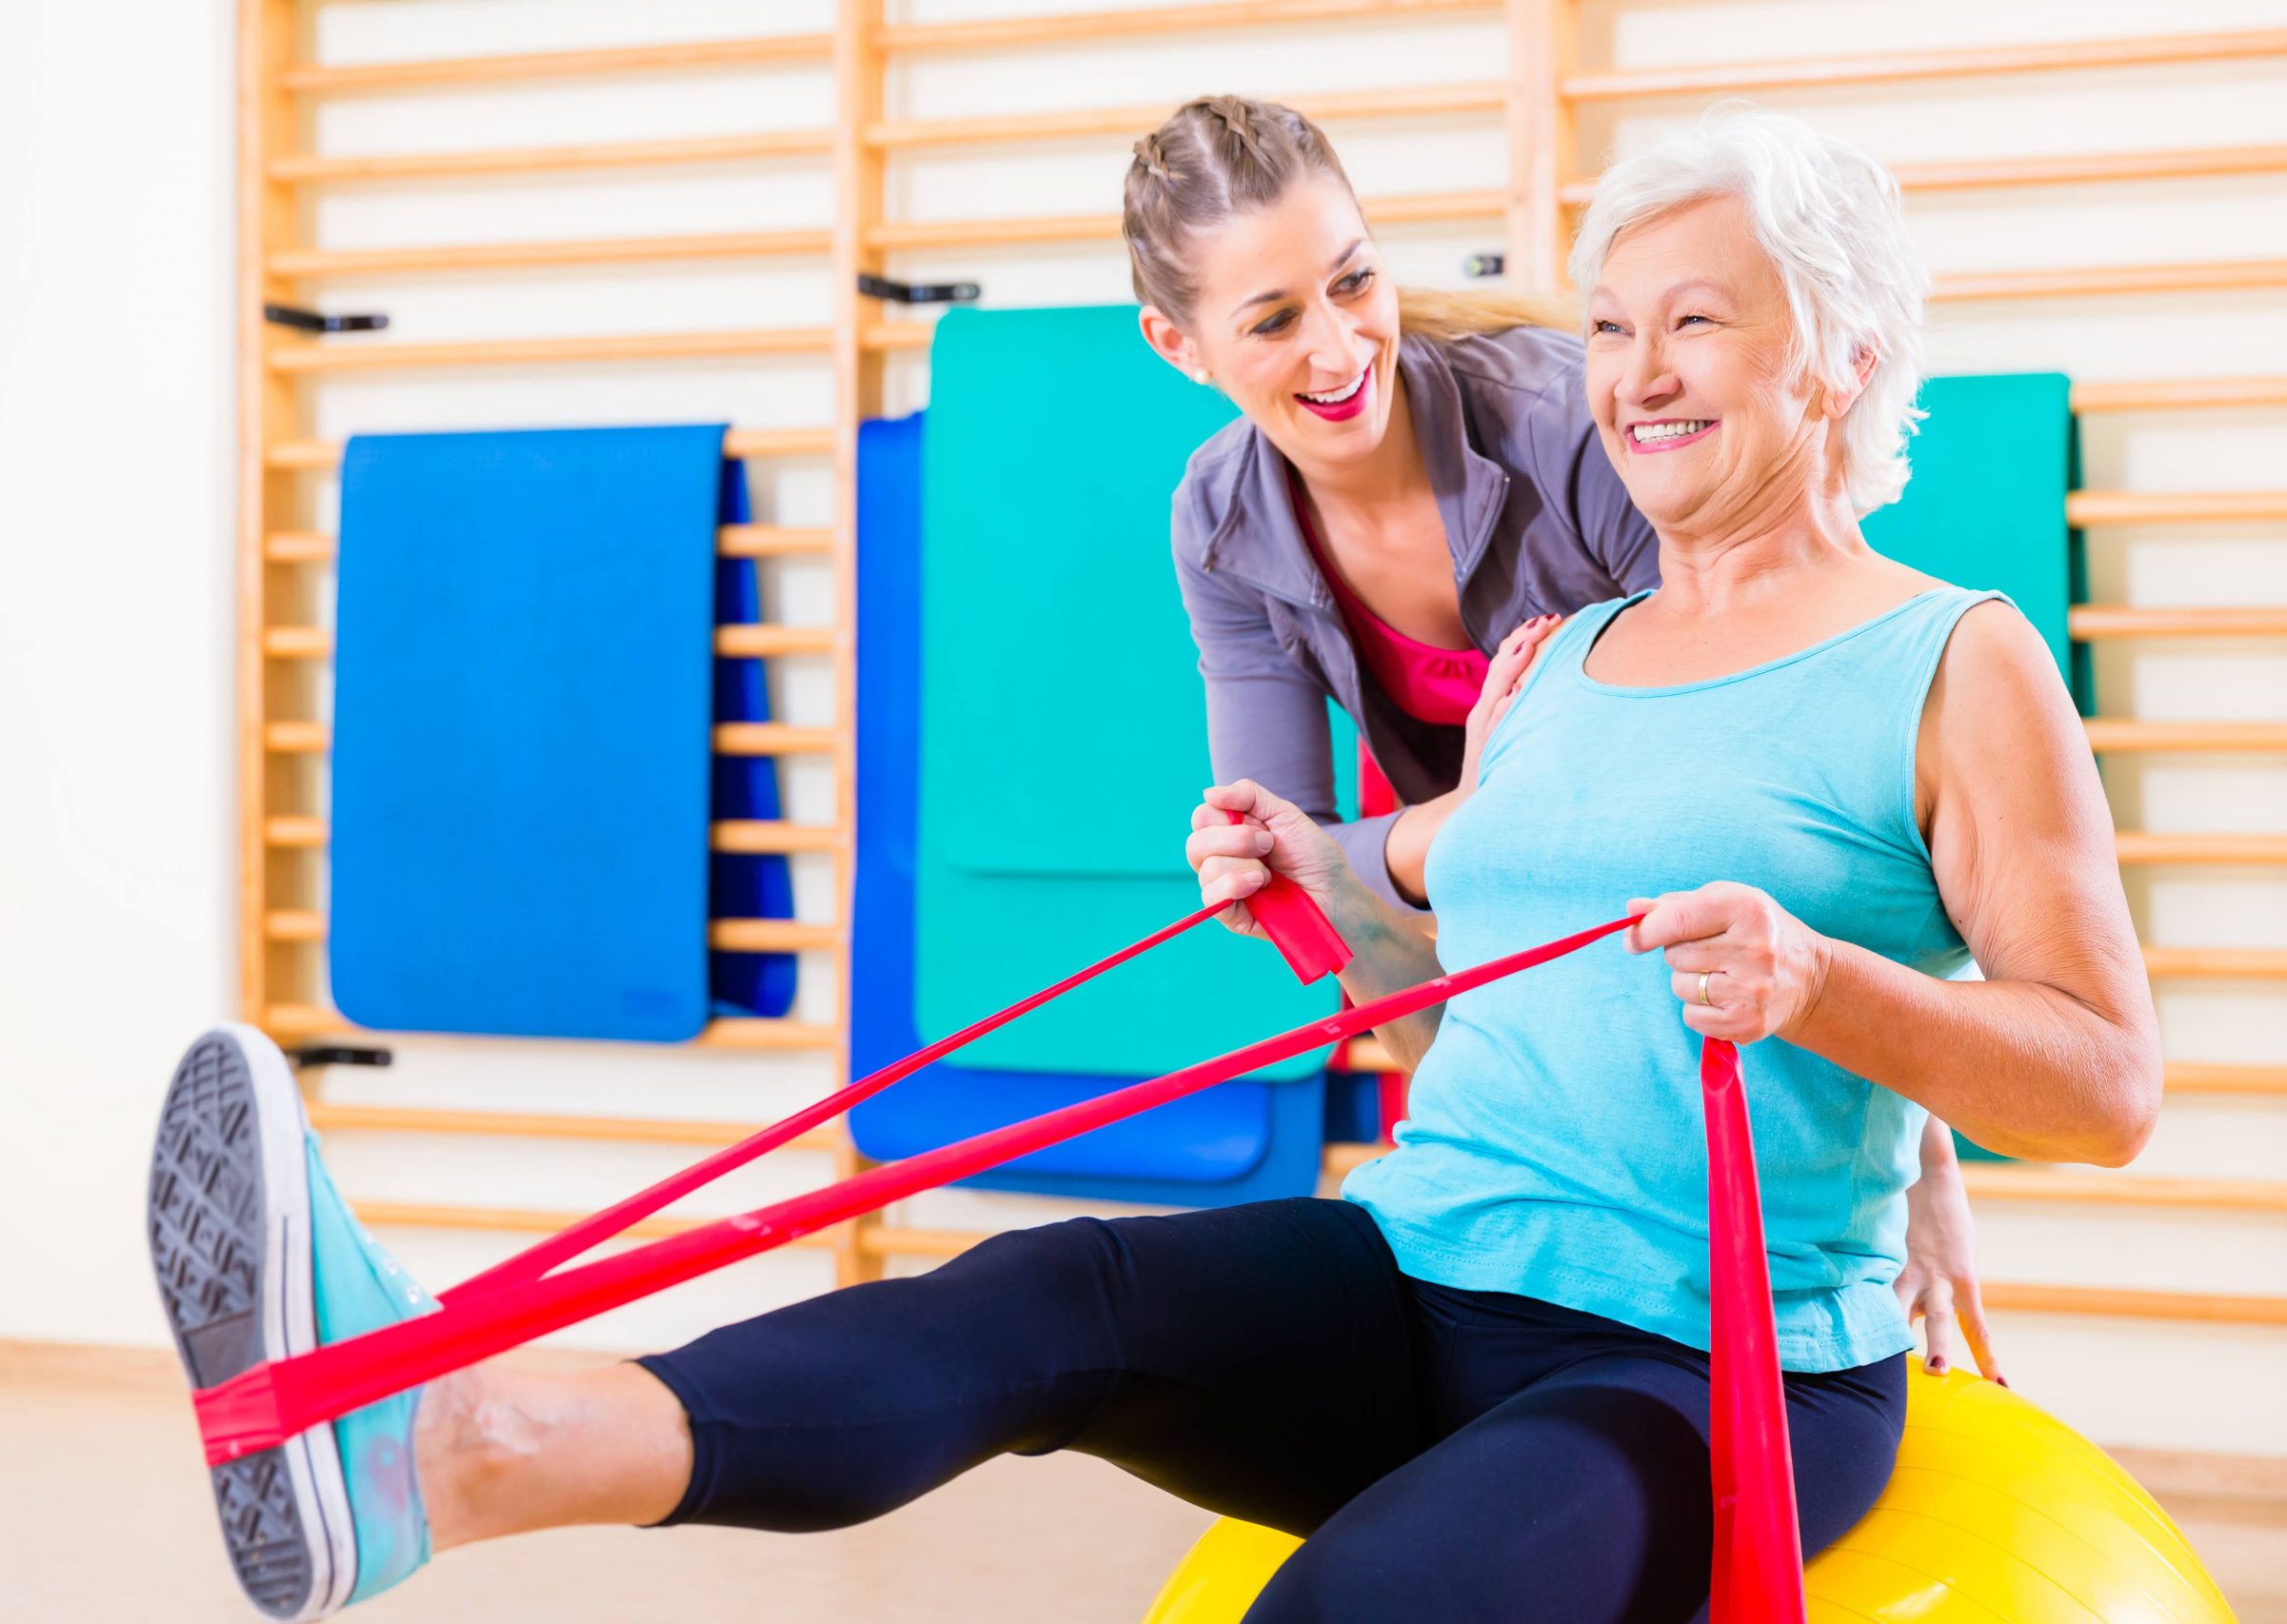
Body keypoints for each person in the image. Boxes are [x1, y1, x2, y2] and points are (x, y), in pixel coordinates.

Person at [149, 109, 2158, 1624]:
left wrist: (1837, 1008)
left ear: (1834, 354)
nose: (1629, 370)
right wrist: (1296, 859)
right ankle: (440, 1449)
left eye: (1693, 324)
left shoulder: (1948, 656)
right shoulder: (1550, 659)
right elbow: (1414, 918)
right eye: (1611, 320)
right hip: (1425, 1254)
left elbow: (2100, 1076)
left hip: (1708, 1370)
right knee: (1042, 1292)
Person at [1130, 94, 1997, 1380]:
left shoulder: (1569, 431)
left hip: (1682, 845)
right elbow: (1307, 865)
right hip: (1474, 858)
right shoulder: (1219, 516)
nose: (1338, 345)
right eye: (1271, 320)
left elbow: (1780, 792)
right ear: (1179, 343)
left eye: (1355, 281)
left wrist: (1921, 1150)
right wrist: (1278, 859)